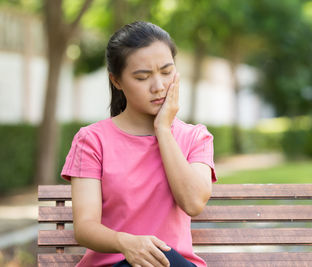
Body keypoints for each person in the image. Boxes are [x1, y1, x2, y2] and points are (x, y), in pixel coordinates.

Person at [61, 21, 217, 267]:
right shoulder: (92, 141)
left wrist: (163, 129)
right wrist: (127, 243)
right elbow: (85, 227)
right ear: (117, 81)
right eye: (143, 77)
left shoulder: (196, 137)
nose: (159, 86)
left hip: (173, 264)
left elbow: (193, 202)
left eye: (166, 72)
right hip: (115, 265)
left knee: (164, 257)